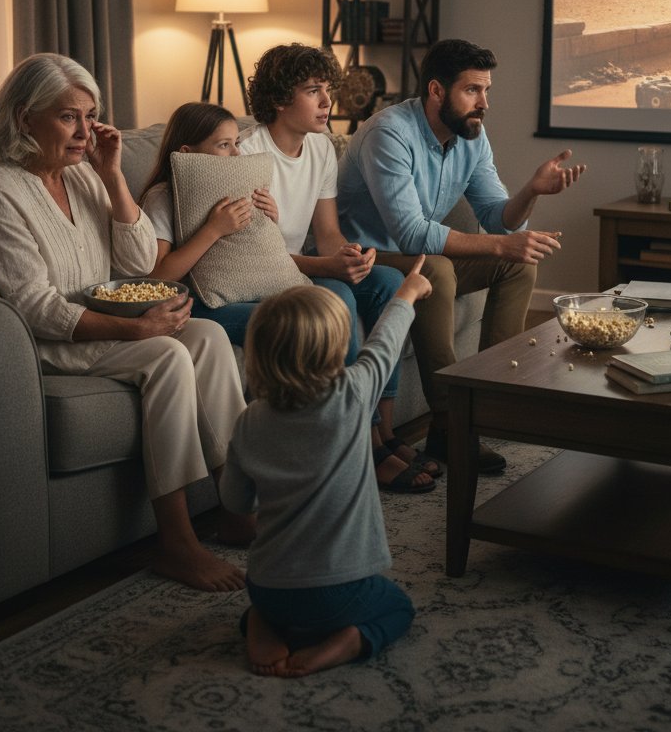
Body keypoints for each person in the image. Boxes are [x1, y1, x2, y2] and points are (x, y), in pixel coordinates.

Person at [0, 54, 252, 593]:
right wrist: (135, 330)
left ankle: (237, 504)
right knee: (167, 354)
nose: (86, 130)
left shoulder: (85, 176)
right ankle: (178, 541)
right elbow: (33, 305)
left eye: (90, 115)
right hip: (56, 341)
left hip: (114, 320)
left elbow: (139, 263)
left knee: (208, 335)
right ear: (26, 119)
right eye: (69, 116)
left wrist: (113, 177)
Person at [336, 37, 586, 475]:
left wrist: (531, 191)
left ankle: (488, 402)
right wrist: (499, 243)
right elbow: (412, 234)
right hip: (367, 258)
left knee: (519, 261)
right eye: (473, 90)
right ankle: (455, 422)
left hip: (414, 254)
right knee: (435, 267)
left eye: (486, 90)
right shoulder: (388, 133)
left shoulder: (472, 134)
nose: (483, 102)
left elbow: (499, 219)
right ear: (436, 91)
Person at [219, 259, 433, 677]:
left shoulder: (250, 419)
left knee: (269, 609)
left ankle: (260, 624)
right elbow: (385, 343)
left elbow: (235, 500)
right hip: (343, 588)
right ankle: (347, 641)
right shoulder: (352, 395)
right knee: (397, 608)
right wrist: (407, 291)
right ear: (333, 351)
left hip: (267, 586)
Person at [242, 44, 436, 492]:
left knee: (388, 281)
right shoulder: (248, 152)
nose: (328, 101)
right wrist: (327, 266)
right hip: (267, 271)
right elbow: (257, 256)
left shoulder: (322, 148)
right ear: (279, 101)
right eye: (313, 91)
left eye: (328, 89)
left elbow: (327, 232)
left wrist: (351, 254)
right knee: (339, 297)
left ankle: (385, 432)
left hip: (300, 265)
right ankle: (362, 440)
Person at [138, 101, 278, 343]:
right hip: (194, 303)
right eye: (224, 145)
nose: (236, 154)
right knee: (284, 319)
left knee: (313, 306)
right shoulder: (161, 197)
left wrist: (271, 221)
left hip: (242, 291)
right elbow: (157, 276)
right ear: (187, 154)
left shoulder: (236, 189)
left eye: (237, 143)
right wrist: (214, 230)